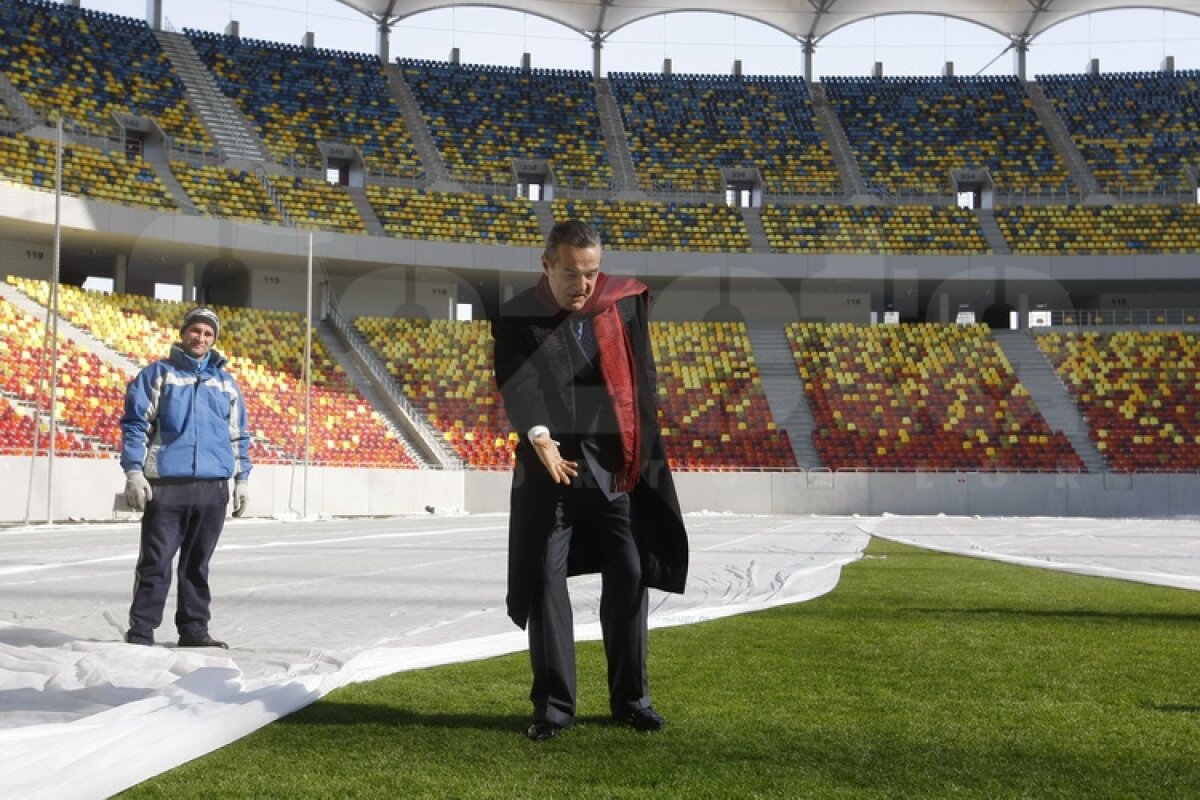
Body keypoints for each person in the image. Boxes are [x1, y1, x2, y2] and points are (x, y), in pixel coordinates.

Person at [492, 220, 689, 741]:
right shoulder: (517, 315)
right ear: (546, 265)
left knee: (630, 572)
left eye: (592, 273)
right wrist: (540, 438)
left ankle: (632, 701)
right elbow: (518, 385)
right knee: (544, 581)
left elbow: (642, 379)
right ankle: (554, 709)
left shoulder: (624, 302)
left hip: (615, 470)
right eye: (572, 274)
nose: (583, 286)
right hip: (549, 471)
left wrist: (643, 448)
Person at [120, 306, 252, 649]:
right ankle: (141, 632)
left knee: (197, 565)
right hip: (167, 486)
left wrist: (242, 479)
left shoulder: (226, 383)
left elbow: (238, 435)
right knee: (156, 562)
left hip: (213, 488)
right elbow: (135, 426)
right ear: (183, 333)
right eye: (196, 330)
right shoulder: (158, 374)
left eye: (208, 333)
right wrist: (134, 472)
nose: (201, 338)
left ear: (214, 339)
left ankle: (194, 631)